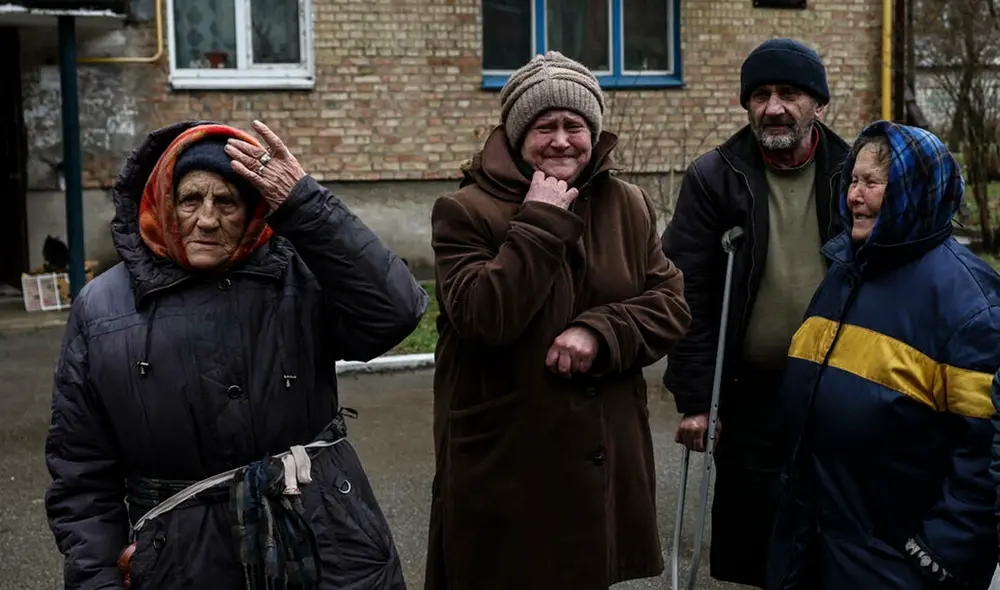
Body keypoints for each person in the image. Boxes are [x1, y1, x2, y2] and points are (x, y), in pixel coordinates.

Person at [44, 120, 428, 590]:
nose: (206, 219)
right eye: (190, 200)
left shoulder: (298, 276)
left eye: (226, 202)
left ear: (252, 210)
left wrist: (306, 205)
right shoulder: (102, 307)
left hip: (324, 539)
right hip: (181, 561)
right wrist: (97, 579)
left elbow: (397, 310)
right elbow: (81, 473)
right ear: (164, 202)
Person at [424, 51, 692, 590]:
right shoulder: (465, 211)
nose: (562, 141)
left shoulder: (628, 203)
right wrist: (541, 221)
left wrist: (600, 330)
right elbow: (482, 318)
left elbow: (669, 303)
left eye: (576, 125)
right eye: (545, 127)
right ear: (519, 133)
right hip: (509, 461)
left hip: (600, 457)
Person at [767, 121, 1000, 589]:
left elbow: (990, 451)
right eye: (853, 179)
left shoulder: (970, 305)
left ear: (916, 190)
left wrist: (943, 550)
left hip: (896, 563)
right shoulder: (845, 271)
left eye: (873, 183)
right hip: (816, 545)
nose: (856, 194)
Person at [659, 38, 851, 587]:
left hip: (838, 383)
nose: (773, 107)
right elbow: (686, 290)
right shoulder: (715, 176)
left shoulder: (850, 170)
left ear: (817, 102)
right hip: (750, 389)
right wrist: (697, 400)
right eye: (761, 95)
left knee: (836, 520)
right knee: (759, 530)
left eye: (789, 94)